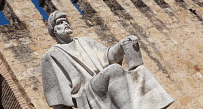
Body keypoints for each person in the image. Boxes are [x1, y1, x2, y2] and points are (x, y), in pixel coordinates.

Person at [41, 11, 174, 109]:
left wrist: (122, 44)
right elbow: (56, 94)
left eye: (66, 21)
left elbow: (107, 56)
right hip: (87, 93)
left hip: (103, 80)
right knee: (115, 70)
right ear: (54, 30)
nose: (65, 24)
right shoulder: (52, 55)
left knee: (140, 71)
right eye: (60, 22)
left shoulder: (86, 41)